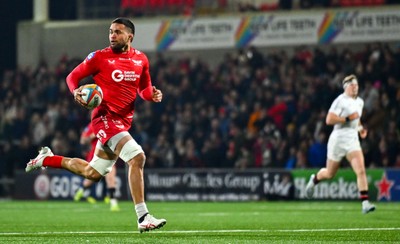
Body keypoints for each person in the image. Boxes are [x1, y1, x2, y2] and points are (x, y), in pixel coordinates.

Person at [25, 17, 166, 232]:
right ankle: (143, 217)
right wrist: (76, 92)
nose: (112, 35)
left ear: (130, 36)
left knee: (92, 173)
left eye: (118, 32)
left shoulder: (141, 60)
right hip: (104, 119)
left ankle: (47, 158)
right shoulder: (99, 57)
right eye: (110, 31)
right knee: (137, 157)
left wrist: (152, 94)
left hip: (123, 122)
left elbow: (143, 88)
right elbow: (72, 77)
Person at [305, 74, 376, 214]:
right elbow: (329, 119)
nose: (355, 87)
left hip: (352, 140)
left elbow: (357, 120)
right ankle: (315, 179)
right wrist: (348, 118)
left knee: (361, 170)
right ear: (346, 87)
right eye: (352, 85)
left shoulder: (360, 102)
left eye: (356, 85)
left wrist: (360, 129)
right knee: (330, 173)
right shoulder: (340, 100)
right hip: (338, 139)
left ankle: (365, 203)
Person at [74, 123, 120, 212]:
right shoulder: (93, 125)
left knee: (111, 177)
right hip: (96, 156)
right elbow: (82, 140)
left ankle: (113, 202)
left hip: (109, 154)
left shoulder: (113, 123)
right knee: (90, 179)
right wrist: (94, 134)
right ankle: (81, 189)